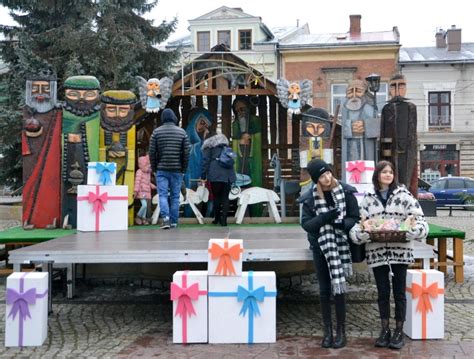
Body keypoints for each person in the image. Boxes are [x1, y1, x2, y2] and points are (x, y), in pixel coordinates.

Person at [349, 160, 428, 350]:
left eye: (390, 172)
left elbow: (422, 223)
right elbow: (358, 227)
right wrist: (362, 234)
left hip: (400, 252)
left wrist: (411, 232)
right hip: (377, 253)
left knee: (399, 293)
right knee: (382, 293)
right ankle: (384, 329)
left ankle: (399, 330)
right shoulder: (368, 199)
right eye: (384, 172)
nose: (388, 175)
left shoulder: (405, 196)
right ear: (377, 175)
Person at [300, 159, 360, 349]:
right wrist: (325, 218)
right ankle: (328, 331)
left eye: (328, 174)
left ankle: (341, 332)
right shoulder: (310, 198)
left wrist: (341, 224)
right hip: (320, 246)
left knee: (339, 288)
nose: (327, 178)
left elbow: (354, 216)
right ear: (316, 179)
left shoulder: (346, 191)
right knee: (324, 289)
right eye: (322, 176)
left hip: (340, 244)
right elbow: (306, 224)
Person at [149, 109, 190, 229]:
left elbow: (152, 152)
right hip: (177, 169)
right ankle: (174, 222)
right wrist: (183, 169)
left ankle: (165, 219)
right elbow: (186, 153)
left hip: (161, 169)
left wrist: (154, 168)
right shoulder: (182, 132)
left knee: (162, 195)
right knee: (175, 196)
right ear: (174, 117)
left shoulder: (156, 132)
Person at [380, 74, 418, 196]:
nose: (397, 90)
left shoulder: (411, 107)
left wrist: (411, 148)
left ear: (405, 88)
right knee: (391, 175)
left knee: (407, 175)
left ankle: (408, 198)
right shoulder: (386, 108)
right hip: (391, 150)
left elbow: (412, 130)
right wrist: (385, 151)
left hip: (408, 149)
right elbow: (383, 131)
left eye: (401, 86)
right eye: (393, 86)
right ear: (389, 89)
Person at [200, 133, 236, 226]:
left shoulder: (209, 148)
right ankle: (224, 220)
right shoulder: (228, 149)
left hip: (215, 175)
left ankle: (217, 219)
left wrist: (203, 175)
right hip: (228, 175)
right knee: (225, 198)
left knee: (216, 197)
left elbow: (205, 162)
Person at [341, 79, 378, 162]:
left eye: (358, 91)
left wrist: (365, 125)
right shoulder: (345, 110)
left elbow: (375, 128)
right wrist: (350, 126)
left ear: (364, 92)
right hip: (351, 144)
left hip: (365, 144)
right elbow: (343, 129)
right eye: (350, 92)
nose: (354, 95)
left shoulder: (369, 108)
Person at [134, 155, 156, 225]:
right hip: (141, 191)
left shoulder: (147, 173)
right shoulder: (139, 172)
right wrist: (136, 191)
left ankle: (143, 219)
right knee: (144, 205)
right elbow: (137, 182)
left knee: (145, 206)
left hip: (146, 191)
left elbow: (147, 182)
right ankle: (138, 216)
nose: (149, 166)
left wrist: (152, 185)